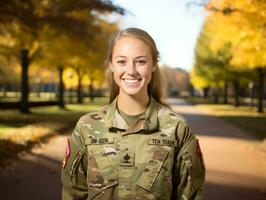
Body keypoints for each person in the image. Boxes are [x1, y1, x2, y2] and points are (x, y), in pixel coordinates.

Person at [61, 27, 206, 200]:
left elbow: (191, 195)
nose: (131, 71)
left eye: (140, 61)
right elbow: (72, 194)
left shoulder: (176, 129)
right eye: (122, 61)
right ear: (111, 65)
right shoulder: (87, 127)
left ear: (153, 65)